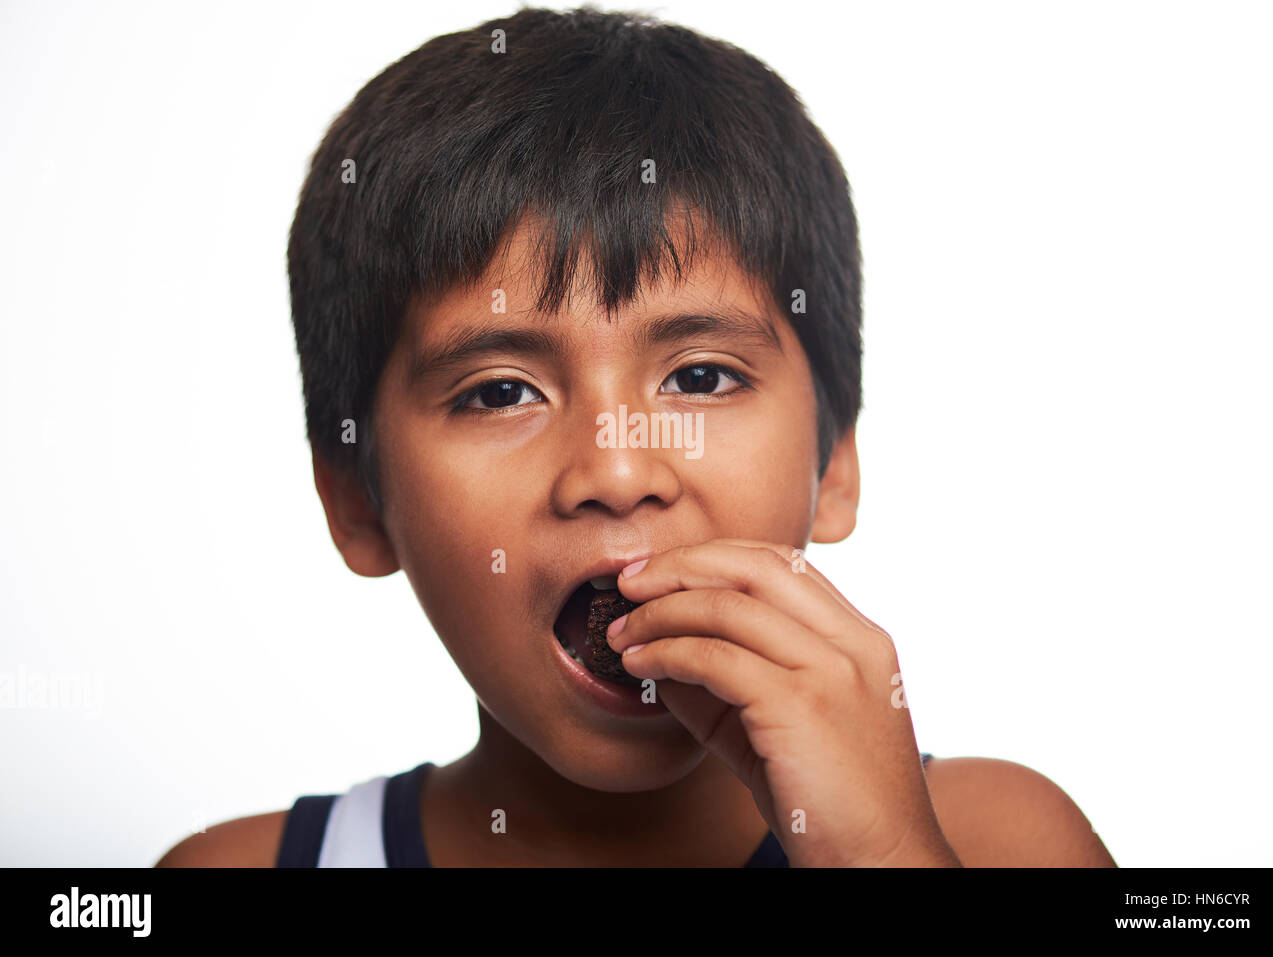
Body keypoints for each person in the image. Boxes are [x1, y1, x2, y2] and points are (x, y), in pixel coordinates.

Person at [157, 5, 1115, 867]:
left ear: (835, 464)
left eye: (700, 377)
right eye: (499, 392)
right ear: (358, 499)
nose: (616, 467)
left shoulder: (998, 841)